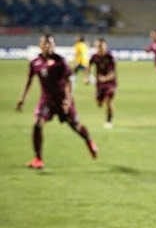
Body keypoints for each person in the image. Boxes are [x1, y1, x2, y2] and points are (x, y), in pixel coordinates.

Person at [16, 33, 98, 169]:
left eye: (50, 44)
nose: (47, 46)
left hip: (62, 100)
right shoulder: (35, 62)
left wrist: (67, 99)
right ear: (40, 45)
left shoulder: (60, 61)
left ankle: (89, 142)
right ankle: (38, 159)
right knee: (37, 124)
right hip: (46, 101)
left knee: (76, 126)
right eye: (45, 43)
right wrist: (22, 99)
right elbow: (29, 81)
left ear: (54, 46)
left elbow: (69, 81)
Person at [85, 37, 117, 129]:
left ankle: (109, 121)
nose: (99, 47)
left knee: (109, 101)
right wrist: (86, 77)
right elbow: (88, 66)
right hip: (99, 84)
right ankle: (100, 100)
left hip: (110, 83)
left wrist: (105, 78)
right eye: (97, 46)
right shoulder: (95, 57)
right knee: (98, 102)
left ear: (105, 46)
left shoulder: (109, 57)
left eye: (100, 45)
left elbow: (113, 74)